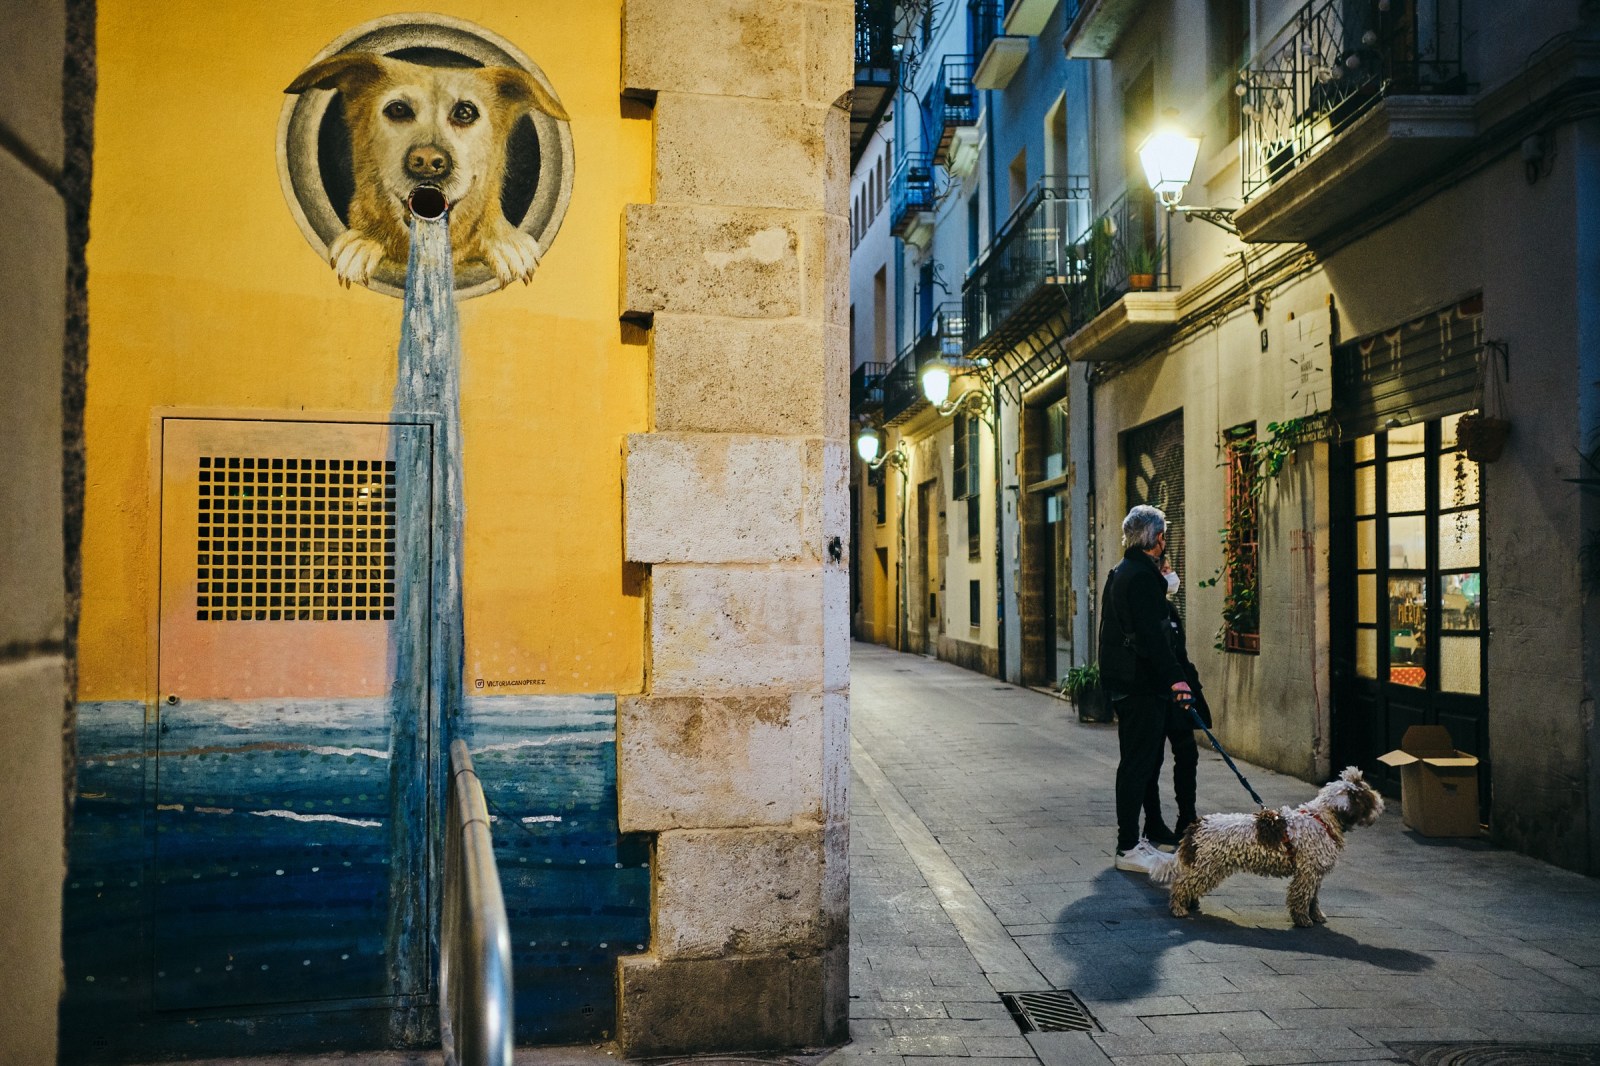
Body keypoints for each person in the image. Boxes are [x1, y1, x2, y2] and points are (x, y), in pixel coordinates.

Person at [1098, 504, 1193, 873]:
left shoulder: (1123, 571)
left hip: (1125, 680)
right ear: (1156, 539)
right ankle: (1127, 847)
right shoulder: (1140, 577)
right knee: (1138, 764)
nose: (1165, 542)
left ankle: (1137, 839)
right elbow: (1155, 637)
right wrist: (1177, 679)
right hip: (1139, 683)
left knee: (1139, 761)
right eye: (1163, 535)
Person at [1139, 556, 1211, 850]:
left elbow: (1179, 654)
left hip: (1179, 695)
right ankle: (1153, 821)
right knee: (1152, 760)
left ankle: (1187, 817)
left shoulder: (1170, 609)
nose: (1172, 574)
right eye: (1166, 570)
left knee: (1187, 754)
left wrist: (1191, 687)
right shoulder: (1149, 609)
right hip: (1157, 693)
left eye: (1170, 569)